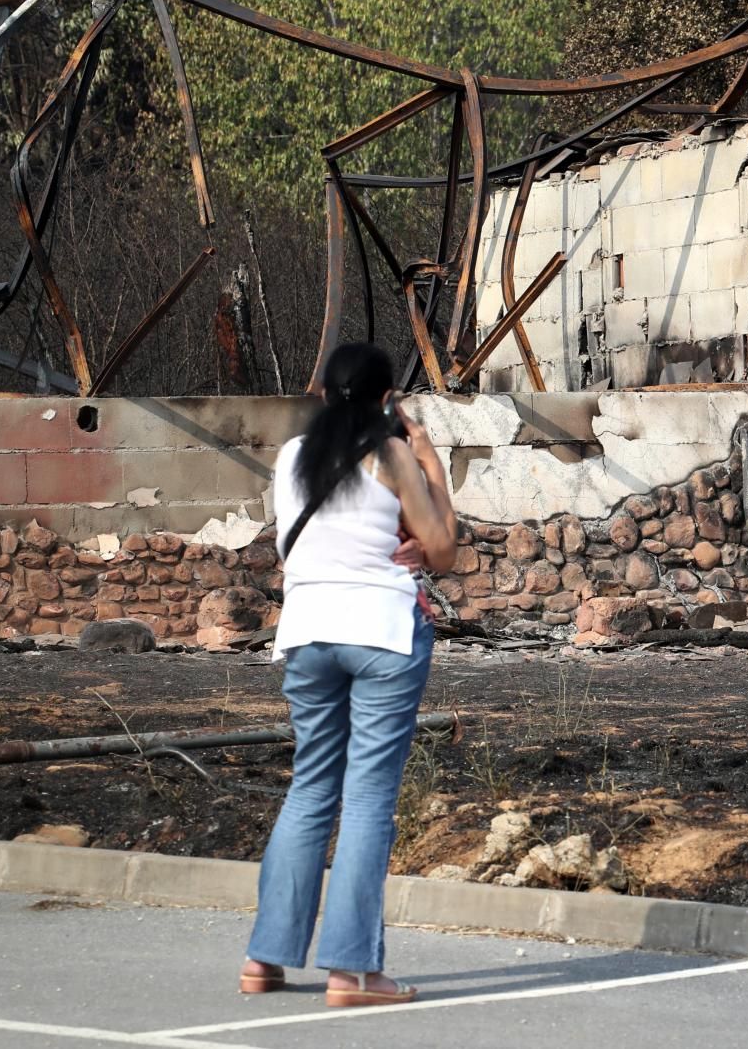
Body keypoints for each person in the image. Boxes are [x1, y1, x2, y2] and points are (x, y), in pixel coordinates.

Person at [238, 343, 457, 1008]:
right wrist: (430, 462)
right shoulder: (390, 456)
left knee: (310, 788)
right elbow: (443, 549)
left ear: (323, 393)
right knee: (366, 801)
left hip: (307, 633)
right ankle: (353, 972)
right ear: (388, 400)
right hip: (382, 632)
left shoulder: (290, 457)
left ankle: (264, 958)